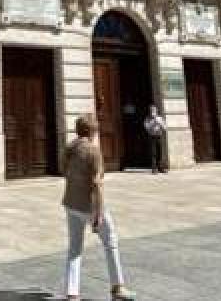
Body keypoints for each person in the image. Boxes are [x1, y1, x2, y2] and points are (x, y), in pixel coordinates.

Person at [60, 114, 135, 301]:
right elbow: (97, 184)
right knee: (110, 241)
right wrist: (99, 213)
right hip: (89, 205)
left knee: (74, 248)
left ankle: (72, 294)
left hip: (71, 203)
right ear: (93, 131)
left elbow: (64, 171)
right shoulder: (93, 151)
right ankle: (117, 288)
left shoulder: (69, 148)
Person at [143, 105, 168, 174]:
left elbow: (165, 128)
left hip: (159, 136)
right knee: (153, 153)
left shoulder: (160, 118)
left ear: (156, 111)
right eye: (151, 110)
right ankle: (154, 168)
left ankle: (160, 167)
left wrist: (159, 123)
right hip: (152, 137)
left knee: (160, 152)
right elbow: (147, 128)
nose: (153, 111)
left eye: (154, 110)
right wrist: (153, 122)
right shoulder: (147, 119)